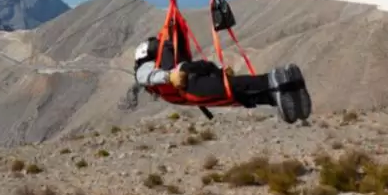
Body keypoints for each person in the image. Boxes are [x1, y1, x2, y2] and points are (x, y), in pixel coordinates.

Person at [131, 31, 312, 125]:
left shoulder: (149, 67)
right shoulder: (159, 63)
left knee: (235, 88)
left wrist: (170, 76)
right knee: (237, 95)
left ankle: (275, 81)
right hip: (194, 82)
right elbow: (150, 76)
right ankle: (282, 93)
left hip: (192, 87)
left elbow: (148, 77)